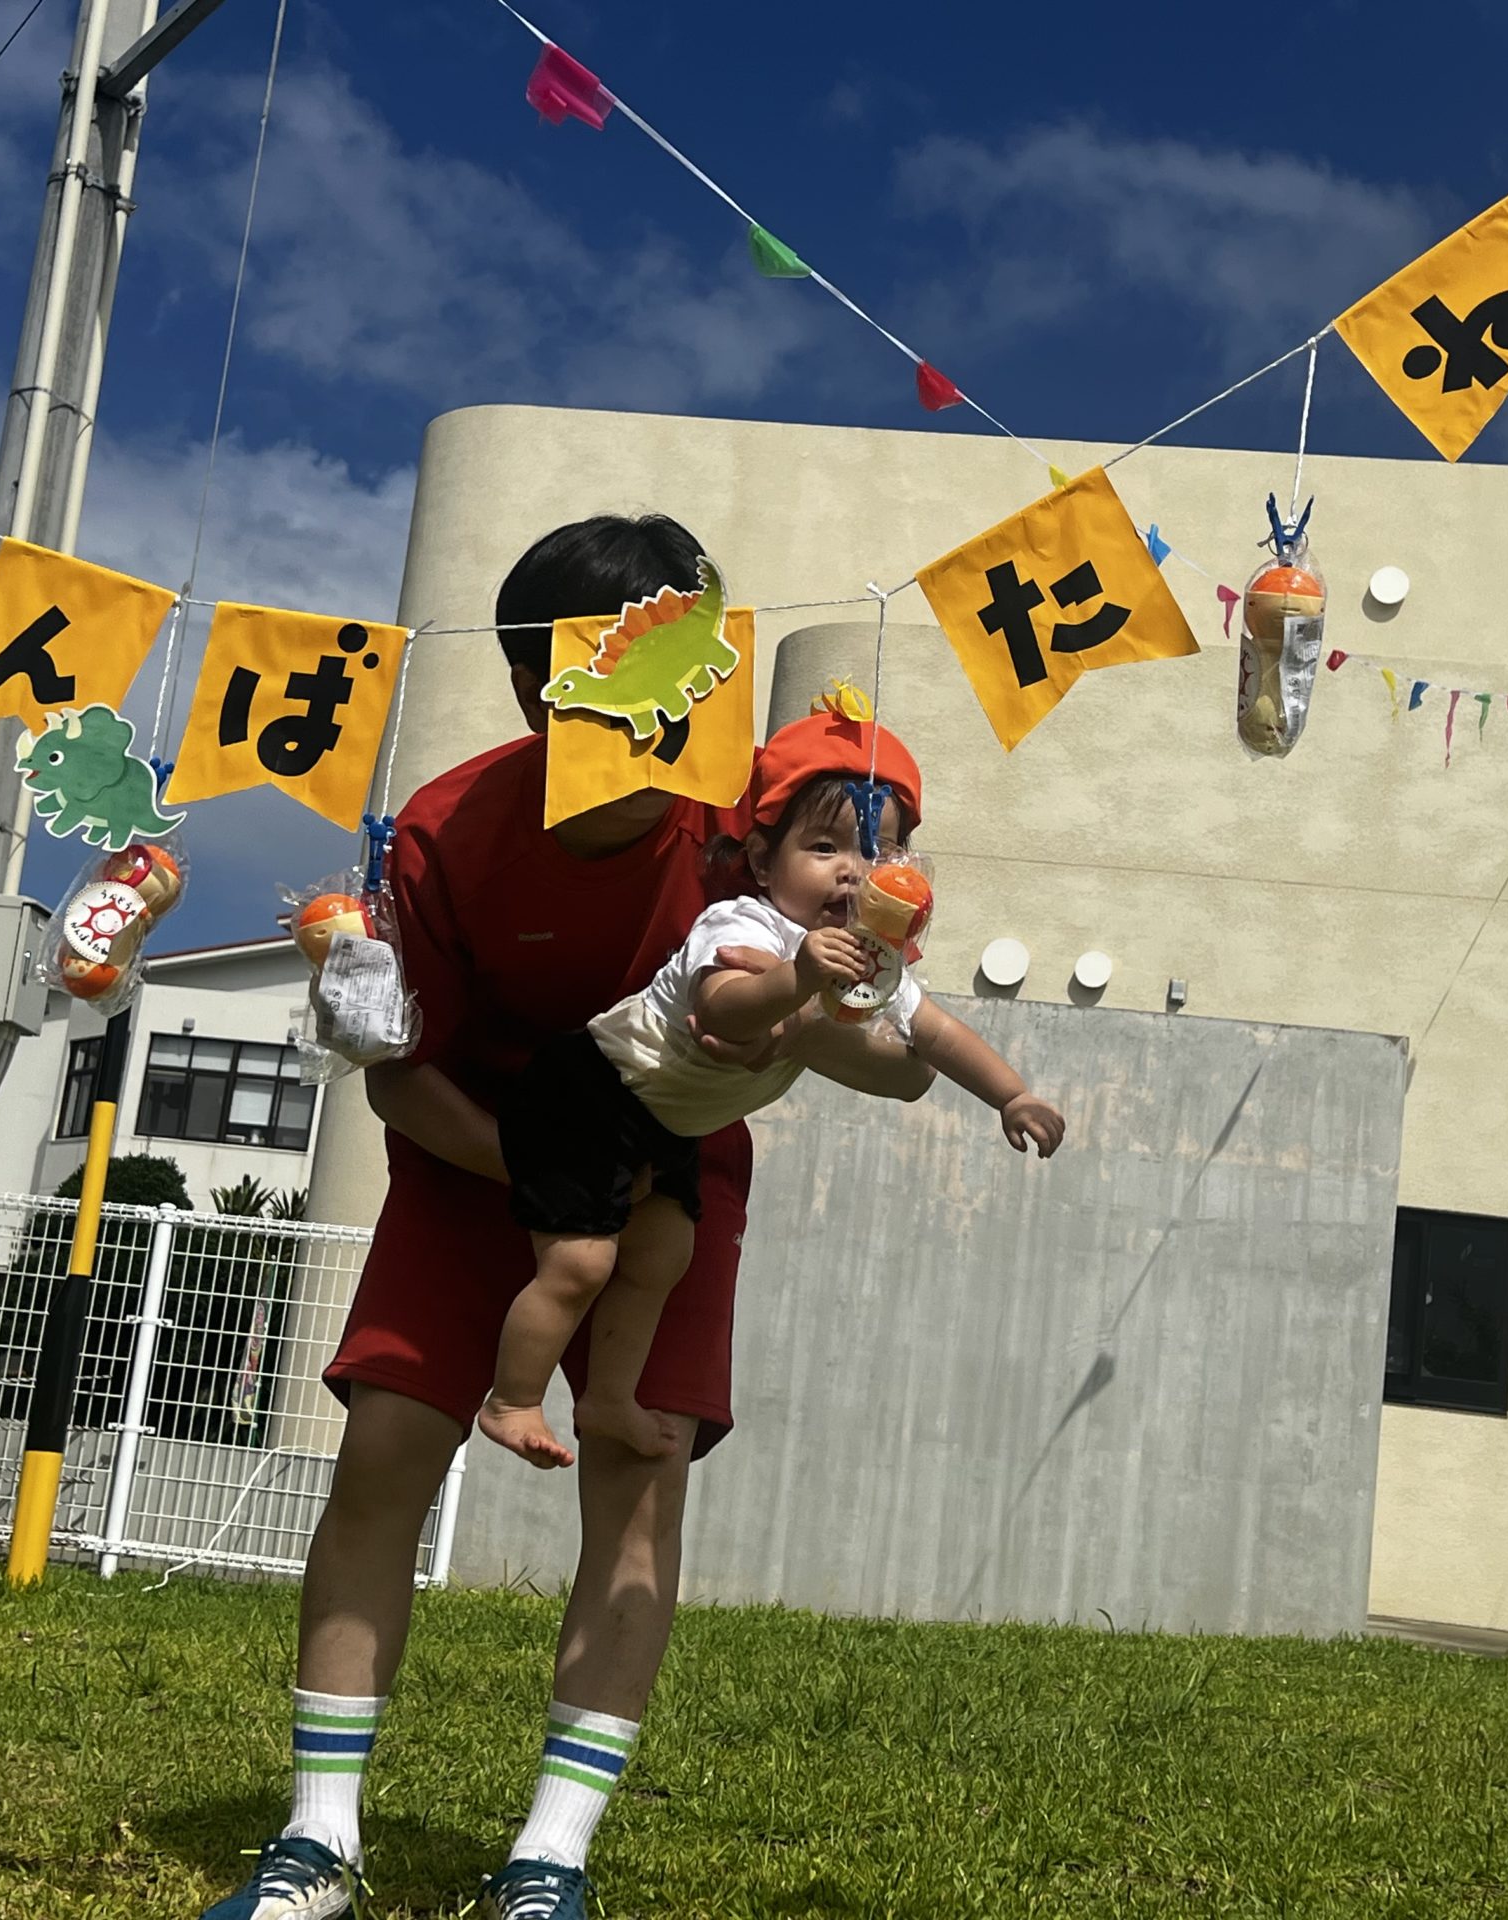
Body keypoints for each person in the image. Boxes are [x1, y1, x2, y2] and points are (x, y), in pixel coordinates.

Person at [200, 515, 937, 1920]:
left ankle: (552, 1856)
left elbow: (870, 1049)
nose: (671, 704)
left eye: (694, 665)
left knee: (638, 1485)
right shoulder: (447, 825)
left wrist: (864, 1020)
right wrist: (546, 1182)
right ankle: (318, 1839)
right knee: (384, 1458)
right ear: (540, 683)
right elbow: (399, 1077)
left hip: (666, 1190)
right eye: (631, 665)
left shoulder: (747, 827)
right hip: (478, 1164)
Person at [478, 696, 1067, 1469]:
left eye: (878, 850)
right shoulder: (745, 924)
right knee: (581, 1263)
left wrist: (1011, 1094)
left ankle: (608, 1398)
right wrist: (797, 979)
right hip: (594, 1089)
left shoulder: (873, 962)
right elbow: (722, 1011)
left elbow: (937, 1034)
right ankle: (512, 1399)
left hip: (669, 1121)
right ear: (762, 862)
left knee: (663, 1255)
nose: (852, 869)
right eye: (824, 847)